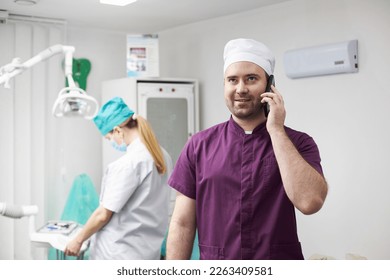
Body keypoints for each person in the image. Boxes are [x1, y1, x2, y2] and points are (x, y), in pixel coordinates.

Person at [166, 38, 328, 260]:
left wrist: (277, 131)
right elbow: (182, 223)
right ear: (225, 85)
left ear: (269, 85)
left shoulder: (298, 143)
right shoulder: (199, 146)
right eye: (232, 80)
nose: (240, 89)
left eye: (251, 79)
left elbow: (310, 202)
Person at [65, 97, 172, 259]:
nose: (112, 142)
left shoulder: (128, 163)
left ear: (117, 131)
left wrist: (78, 240)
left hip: (120, 254)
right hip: (148, 253)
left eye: (109, 138)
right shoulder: (163, 155)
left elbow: (103, 215)